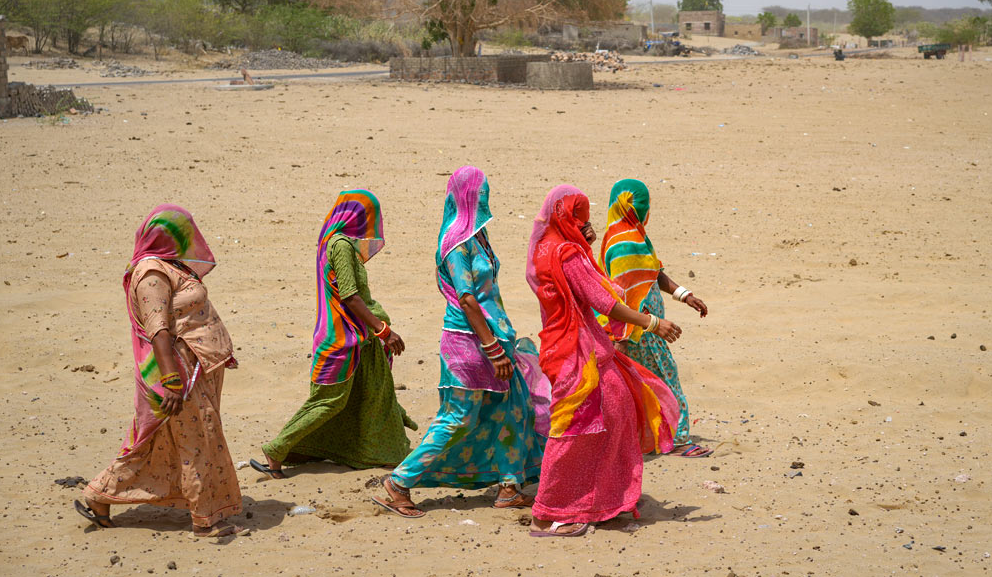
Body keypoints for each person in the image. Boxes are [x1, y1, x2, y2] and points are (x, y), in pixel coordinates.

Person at [373, 166, 548, 518]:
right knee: (458, 417)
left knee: (512, 408)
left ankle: (510, 486)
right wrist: (492, 347)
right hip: (469, 345)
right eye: (481, 191)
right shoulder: (455, 242)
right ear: (467, 195)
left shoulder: (479, 236)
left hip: (496, 339)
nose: (485, 197)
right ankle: (399, 482)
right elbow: (467, 298)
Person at [75, 205, 247, 537]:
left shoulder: (170, 266)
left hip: (195, 367)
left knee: (165, 441)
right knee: (197, 441)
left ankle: (99, 494)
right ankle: (205, 520)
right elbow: (159, 331)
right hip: (178, 373)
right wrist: (171, 381)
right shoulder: (151, 274)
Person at [525, 185, 680, 537]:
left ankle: (596, 500)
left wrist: (585, 245)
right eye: (581, 217)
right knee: (579, 426)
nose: (585, 223)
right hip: (576, 351)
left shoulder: (548, 247)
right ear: (570, 218)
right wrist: (653, 323)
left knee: (613, 410)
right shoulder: (566, 254)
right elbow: (603, 299)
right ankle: (550, 510)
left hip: (569, 346)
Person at [252, 190, 415, 478]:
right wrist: (383, 330)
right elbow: (350, 296)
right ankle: (276, 449)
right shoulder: (340, 245)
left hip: (361, 337)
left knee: (373, 394)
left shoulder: (347, 246)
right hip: (342, 339)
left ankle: (381, 452)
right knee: (330, 400)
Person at [600, 179, 712, 458]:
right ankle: (677, 439)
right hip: (642, 330)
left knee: (638, 382)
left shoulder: (633, 236)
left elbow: (655, 273)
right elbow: (620, 294)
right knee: (665, 377)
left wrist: (684, 295)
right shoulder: (623, 243)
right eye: (642, 204)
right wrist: (624, 334)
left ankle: (641, 439)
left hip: (643, 327)